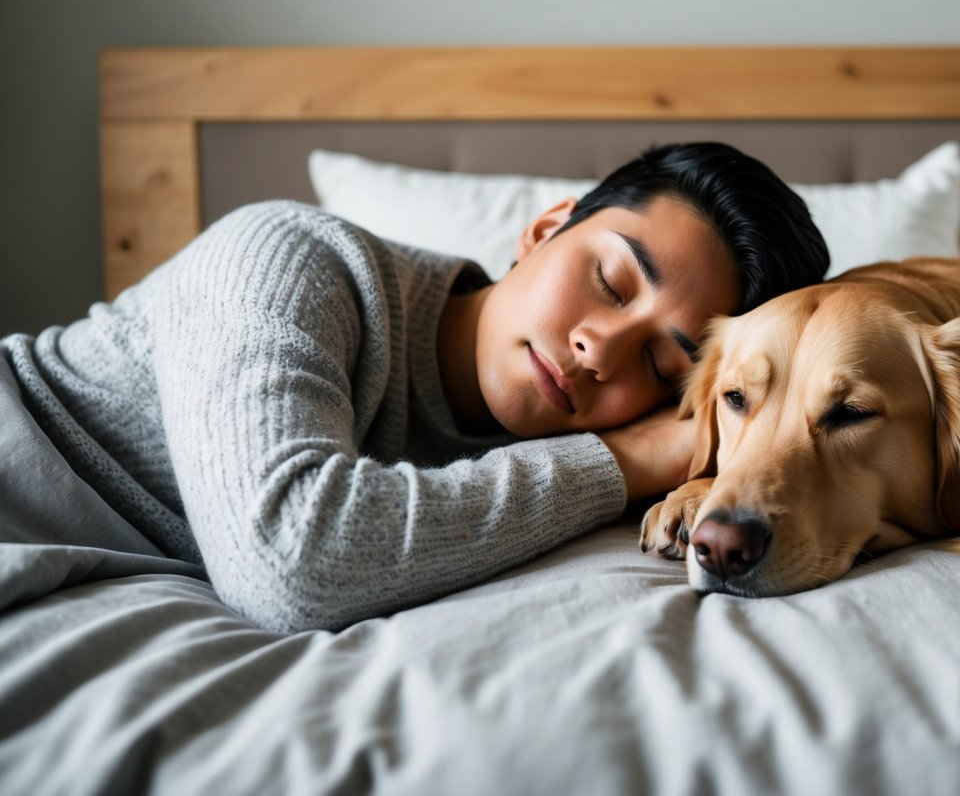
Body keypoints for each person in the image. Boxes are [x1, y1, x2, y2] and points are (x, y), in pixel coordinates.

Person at [0, 142, 829, 633]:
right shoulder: (291, 258)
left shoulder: (600, 476)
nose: (598, 347)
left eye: (659, 364)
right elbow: (291, 564)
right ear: (545, 229)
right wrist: (620, 458)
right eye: (610, 281)